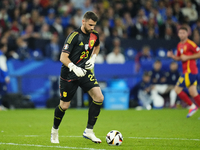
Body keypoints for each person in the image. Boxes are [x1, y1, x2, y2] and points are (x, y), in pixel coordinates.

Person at [50, 11, 104, 144]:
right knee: (64, 105)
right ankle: (54, 131)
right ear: (83, 22)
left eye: (94, 25)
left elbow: (97, 46)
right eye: (90, 25)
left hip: (85, 71)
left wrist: (94, 57)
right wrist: (74, 67)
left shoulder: (94, 35)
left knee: (99, 97)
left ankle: (89, 131)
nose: (92, 28)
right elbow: (63, 57)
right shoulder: (73, 36)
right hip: (69, 74)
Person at [167, 26, 200, 118]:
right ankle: (193, 106)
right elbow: (179, 58)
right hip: (187, 72)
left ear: (187, 34)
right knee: (193, 93)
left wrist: (188, 57)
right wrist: (172, 56)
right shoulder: (179, 45)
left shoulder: (190, 44)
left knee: (177, 89)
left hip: (190, 71)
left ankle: (192, 106)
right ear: (178, 34)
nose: (181, 35)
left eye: (183, 33)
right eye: (180, 33)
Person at [0, 43, 9, 110]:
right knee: (1, 92)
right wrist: (6, 76)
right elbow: (3, 67)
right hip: (1, 78)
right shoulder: (1, 55)